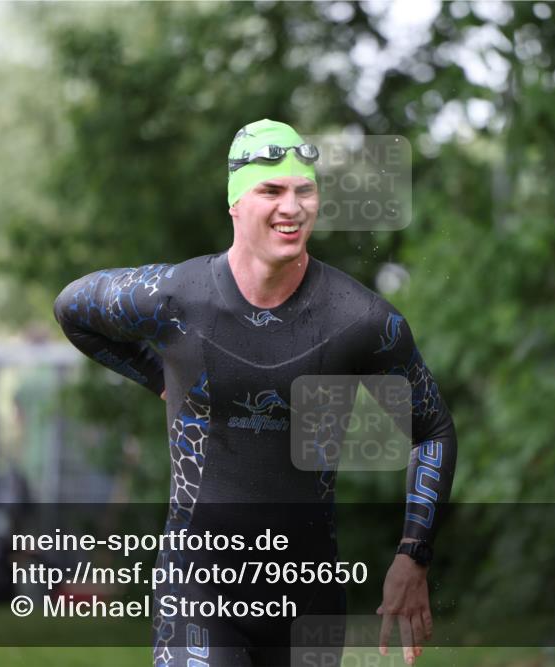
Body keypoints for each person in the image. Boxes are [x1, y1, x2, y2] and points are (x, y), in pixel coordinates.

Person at [54, 119, 457, 666]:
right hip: (198, 589)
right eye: (271, 190)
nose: (291, 206)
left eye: (304, 189)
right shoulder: (175, 298)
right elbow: (74, 310)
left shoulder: (359, 320)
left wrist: (414, 555)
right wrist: (163, 379)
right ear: (235, 204)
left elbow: (430, 430)